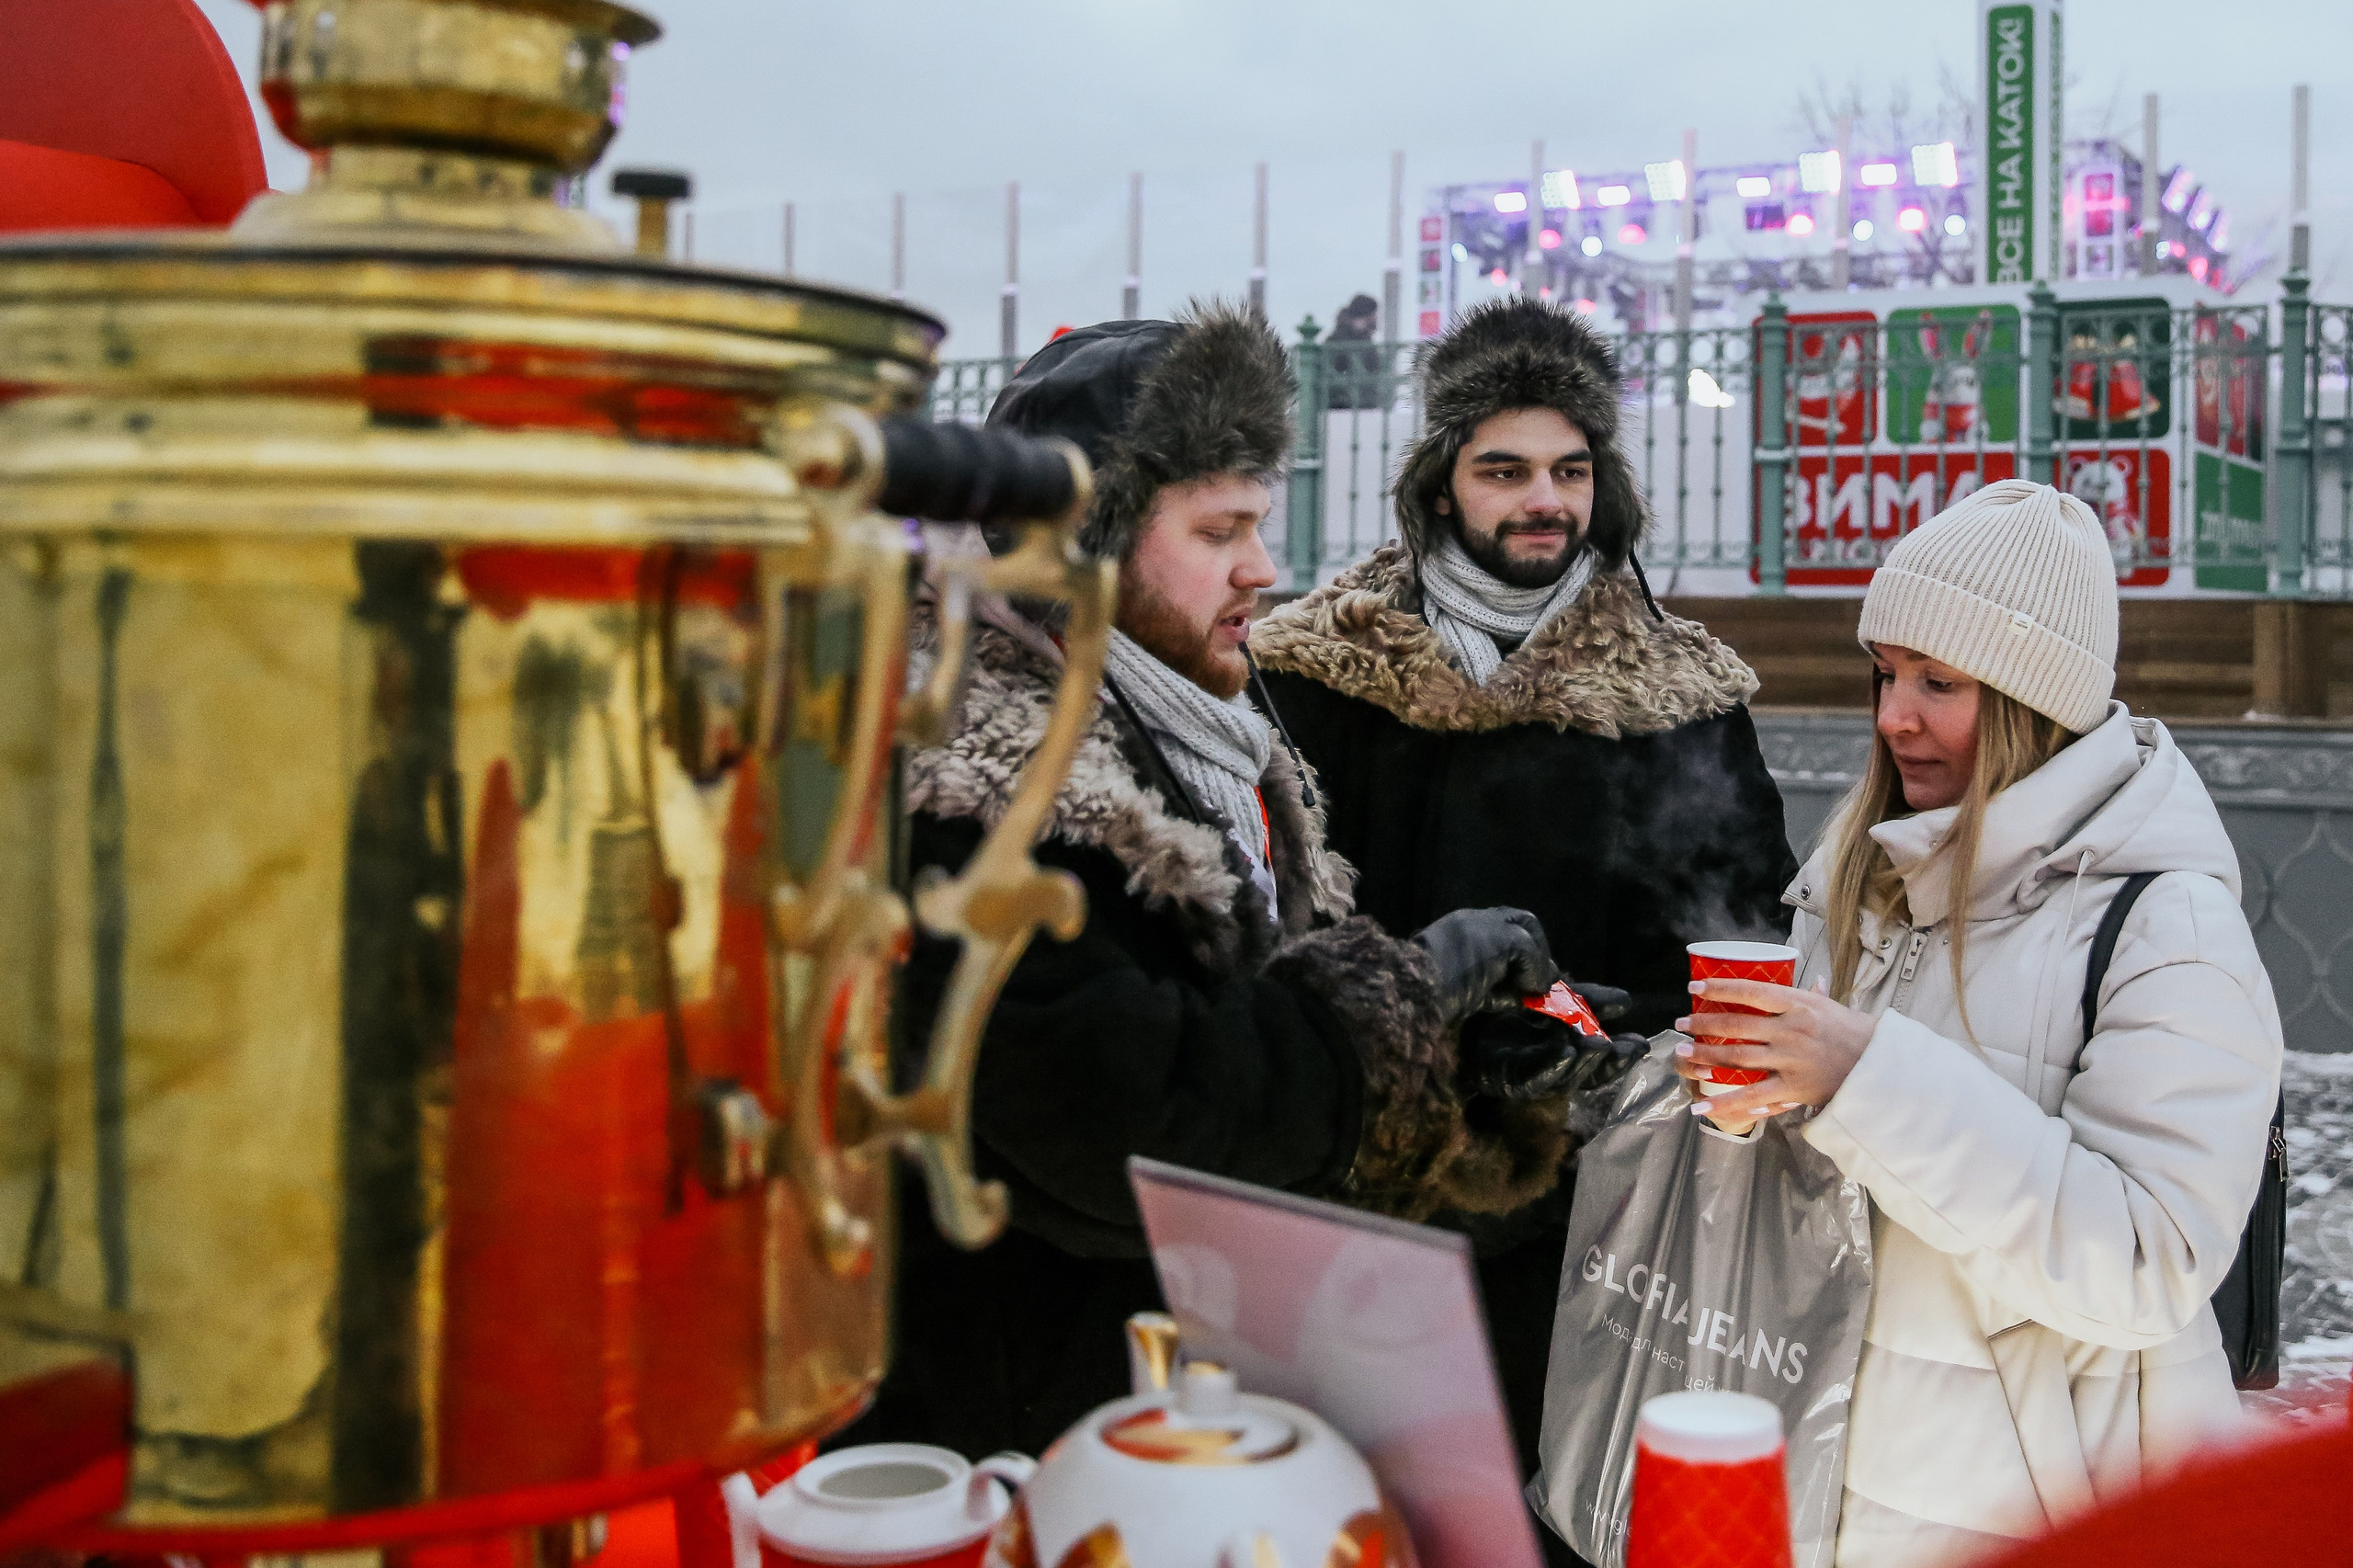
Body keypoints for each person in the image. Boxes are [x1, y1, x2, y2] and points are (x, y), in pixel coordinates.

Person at [844, 301, 1584, 1462]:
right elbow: (1131, 1118)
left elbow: (1263, 1038)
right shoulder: (977, 790)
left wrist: (1454, 1062)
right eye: (1217, 530)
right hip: (1029, 1434)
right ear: (1085, 551)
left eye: (1258, 522)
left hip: (1191, 1392)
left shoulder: (1202, 728)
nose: (1262, 567)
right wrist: (1397, 1000)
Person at [1249, 296, 1795, 1540]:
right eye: (1504, 470)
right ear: (1440, 483)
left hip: (1596, 1226)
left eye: (1570, 468)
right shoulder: (1314, 676)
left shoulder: (1680, 695)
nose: (1544, 499)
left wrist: (1598, 1037)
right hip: (1362, 1208)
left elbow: (1743, 946)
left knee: (1556, 1521)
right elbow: (1268, 927)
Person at [1675, 480, 2283, 1566]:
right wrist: (1742, 1098)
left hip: (2051, 1522)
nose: (1891, 715)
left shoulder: (2167, 923)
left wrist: (1866, 1075)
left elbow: (2145, 1265)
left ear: (2029, 697)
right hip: (1840, 1500)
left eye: (1937, 681)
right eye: (1885, 672)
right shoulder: (1859, 871)